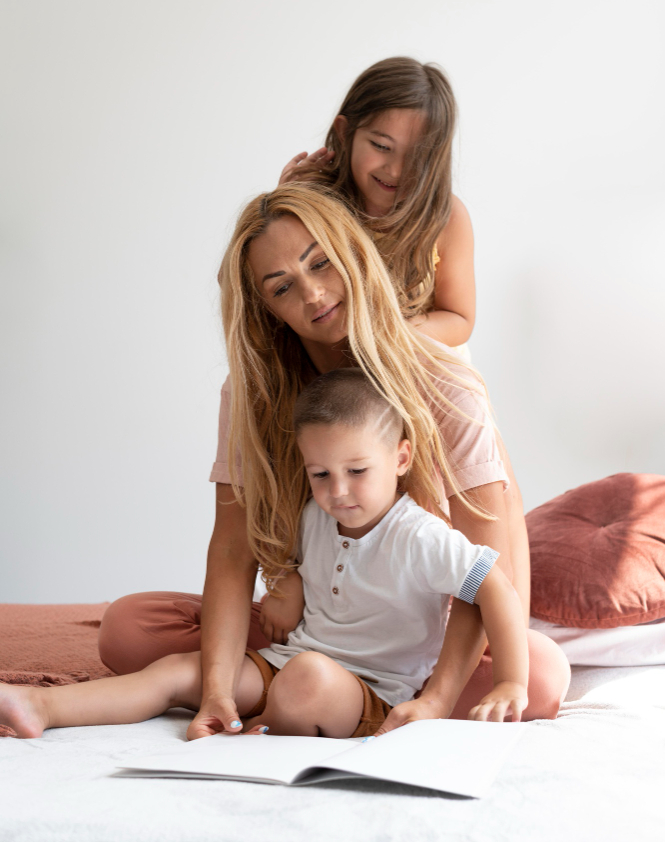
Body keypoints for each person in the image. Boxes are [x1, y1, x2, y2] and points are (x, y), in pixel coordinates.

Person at [97, 184, 570, 739]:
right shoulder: (251, 394)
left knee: (538, 675)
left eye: (321, 262)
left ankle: (346, 695)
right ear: (267, 310)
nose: (315, 293)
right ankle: (308, 690)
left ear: (351, 252)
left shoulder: (447, 383)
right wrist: (218, 692)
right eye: (283, 287)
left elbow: (489, 566)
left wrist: (440, 698)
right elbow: (231, 546)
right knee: (127, 630)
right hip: (317, 629)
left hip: (417, 638)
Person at [0, 370, 528, 739]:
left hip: (372, 692)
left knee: (309, 681)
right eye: (320, 474)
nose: (338, 490)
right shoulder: (316, 516)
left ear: (401, 457)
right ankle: (40, 706)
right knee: (184, 672)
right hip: (290, 660)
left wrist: (510, 680)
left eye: (357, 471)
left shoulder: (421, 535)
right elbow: (298, 563)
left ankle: (268, 730)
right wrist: (289, 585)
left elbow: (494, 587)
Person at [279, 57, 475, 352]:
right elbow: (241, 289)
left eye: (417, 157)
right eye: (382, 146)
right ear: (345, 133)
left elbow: (459, 319)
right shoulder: (315, 202)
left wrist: (384, 334)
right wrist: (282, 207)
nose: (396, 170)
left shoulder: (445, 217)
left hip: (416, 365)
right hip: (328, 372)